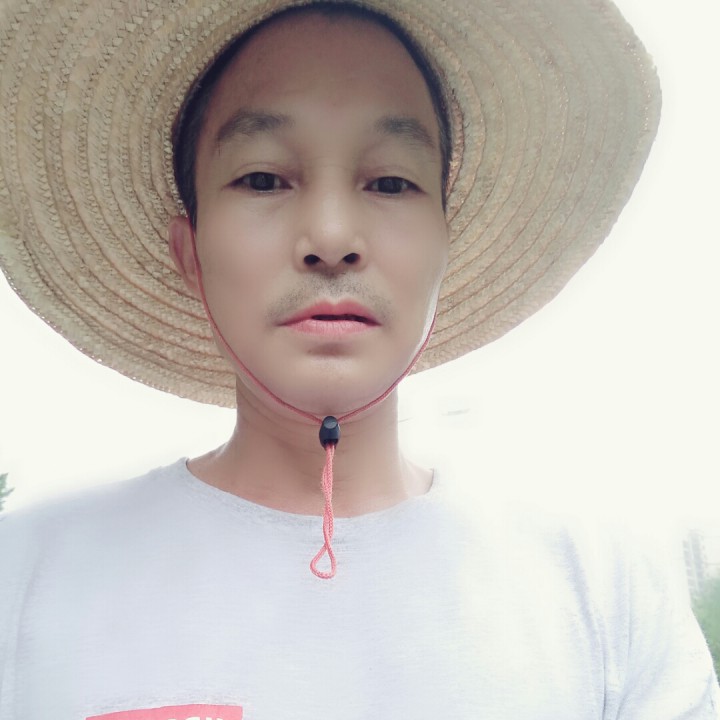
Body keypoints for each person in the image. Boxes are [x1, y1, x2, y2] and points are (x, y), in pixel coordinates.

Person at [0, 1, 718, 718]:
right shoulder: (26, 576)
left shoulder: (602, 590)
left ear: (444, 245)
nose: (332, 236)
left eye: (390, 183)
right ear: (189, 253)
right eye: (263, 179)